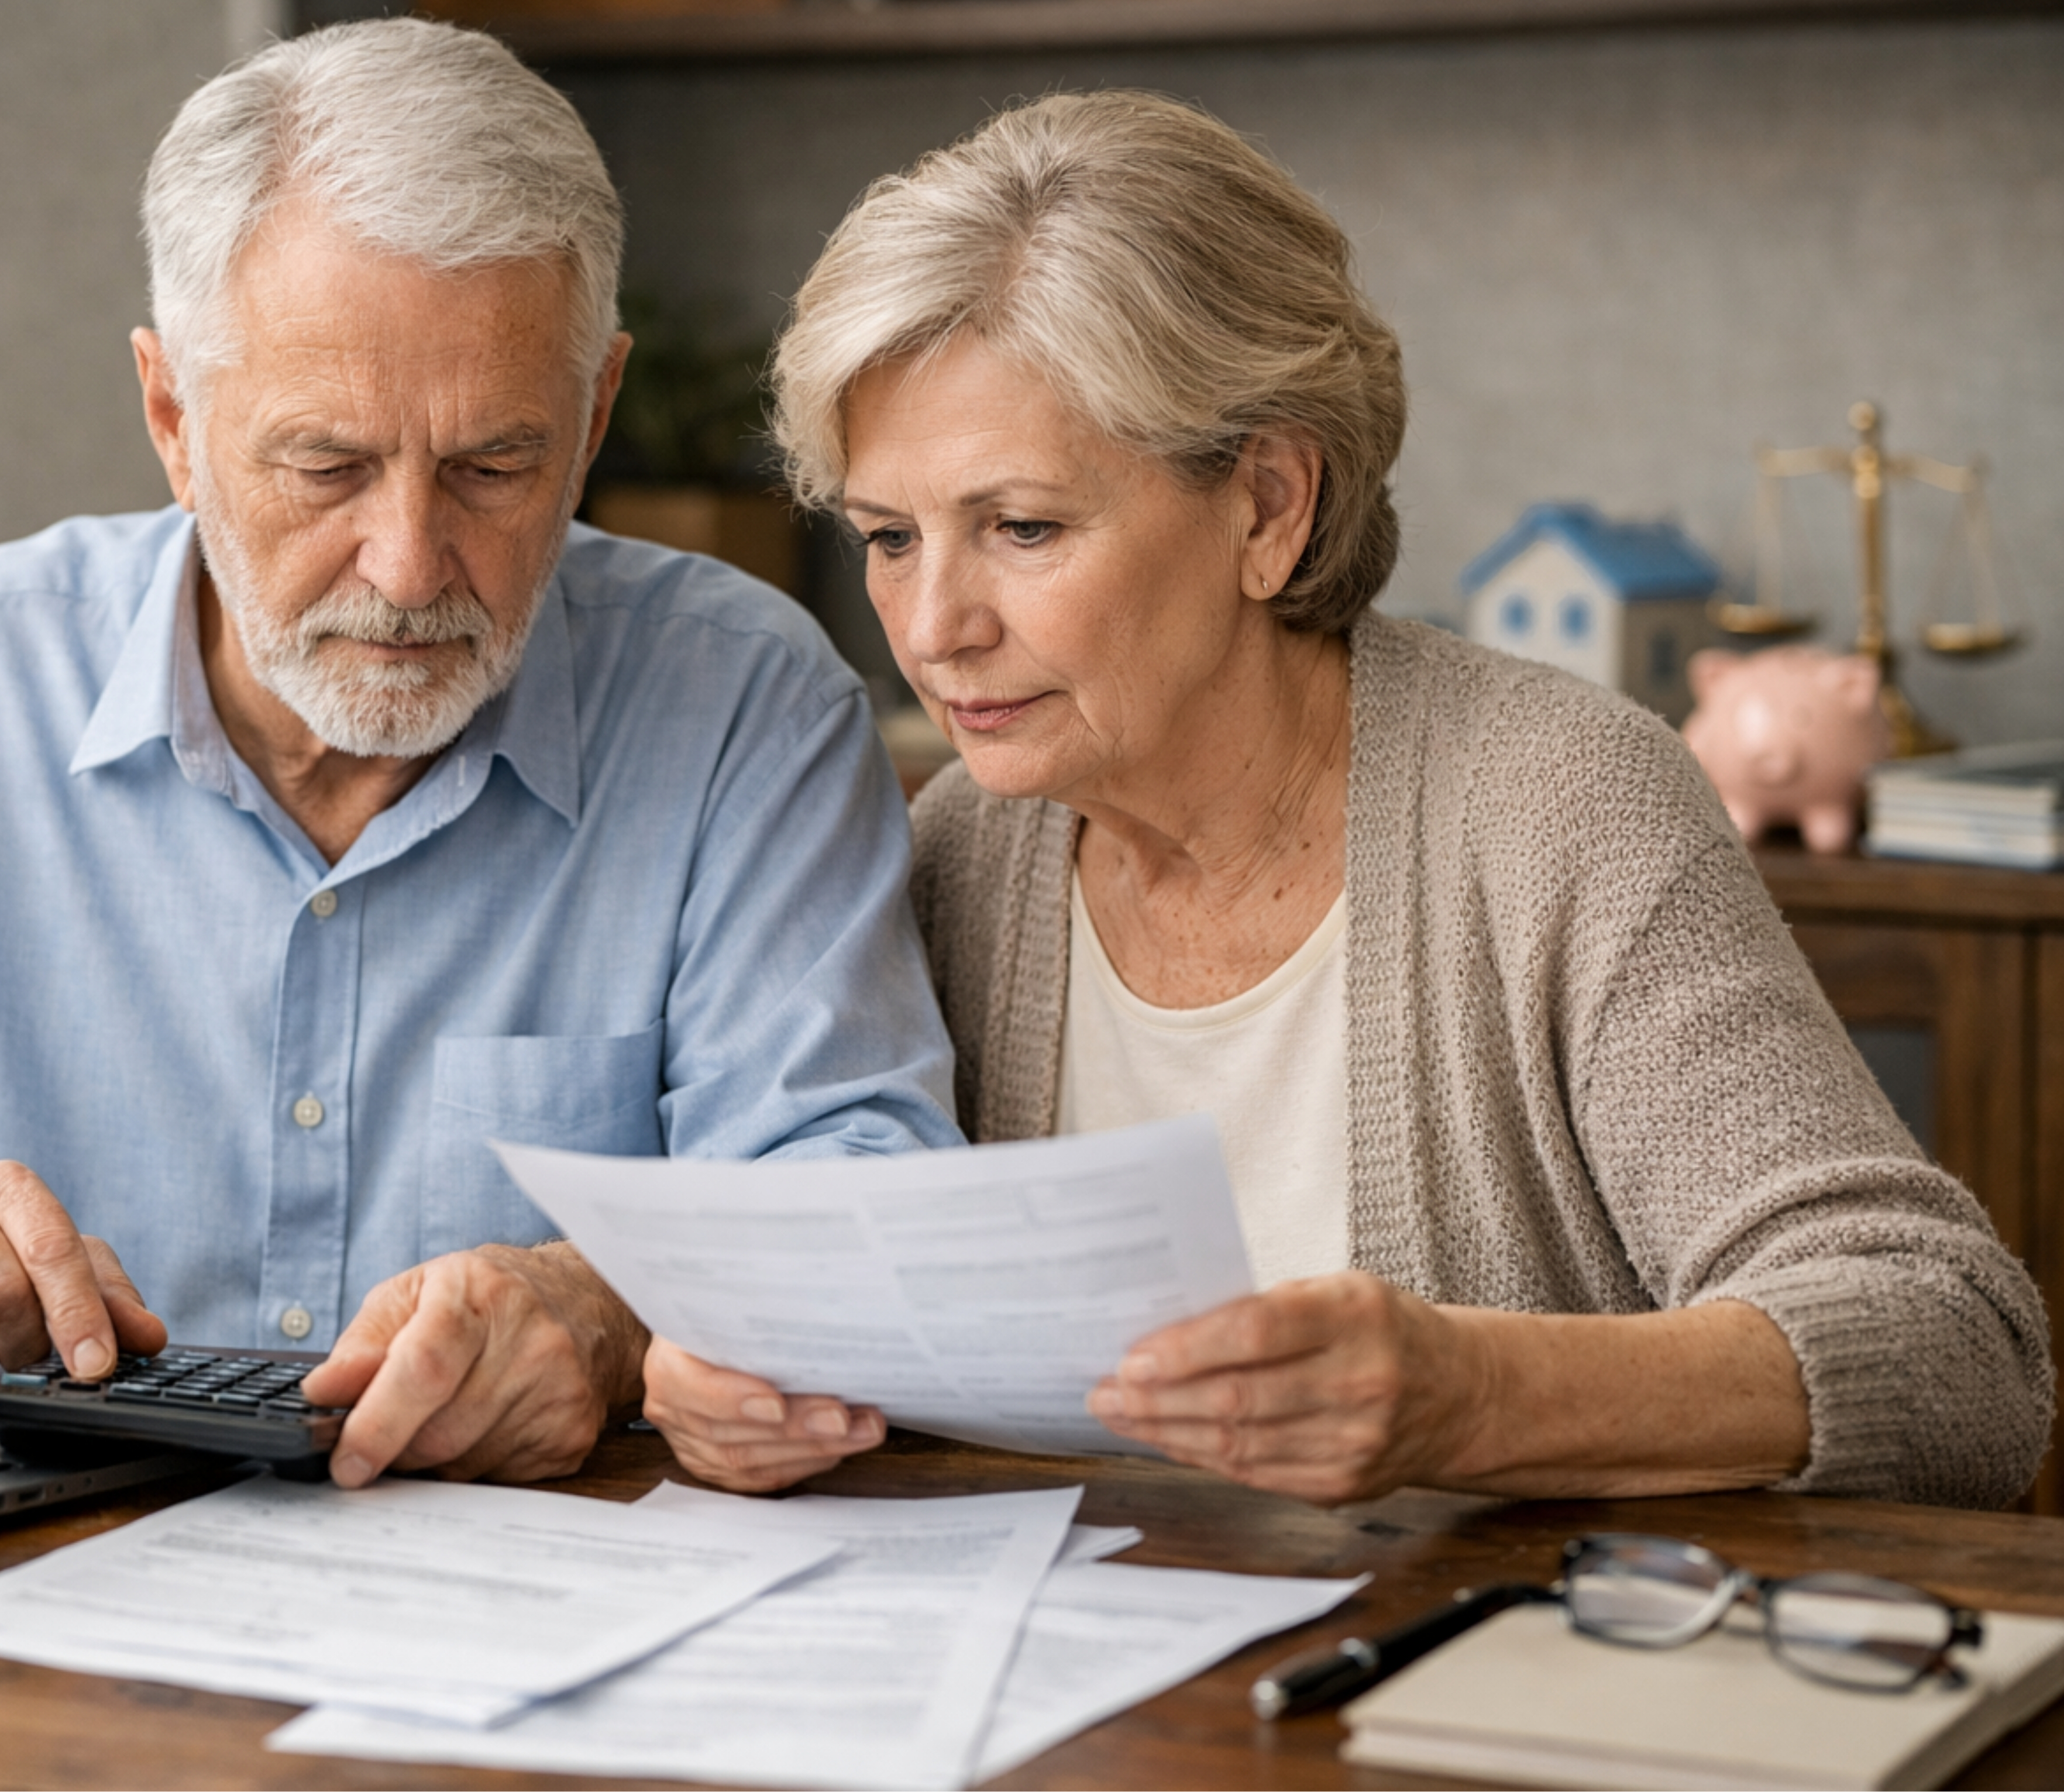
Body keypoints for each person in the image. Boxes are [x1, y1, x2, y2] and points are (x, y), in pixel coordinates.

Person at [644, 90, 2052, 1509]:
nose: (934, 625)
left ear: (1269, 506)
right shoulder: (958, 846)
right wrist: (746, 1377)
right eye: (889, 536)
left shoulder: (1557, 808)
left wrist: (1475, 1393)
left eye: (1023, 527)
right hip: (1112, 1697)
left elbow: (1956, 1347)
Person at [0, 18, 956, 1493]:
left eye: (494, 466)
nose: (407, 568)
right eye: (326, 465)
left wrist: (606, 1310)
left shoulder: (744, 708)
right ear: (173, 419)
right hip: (23, 1598)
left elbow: (856, 1200)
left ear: (594, 413)